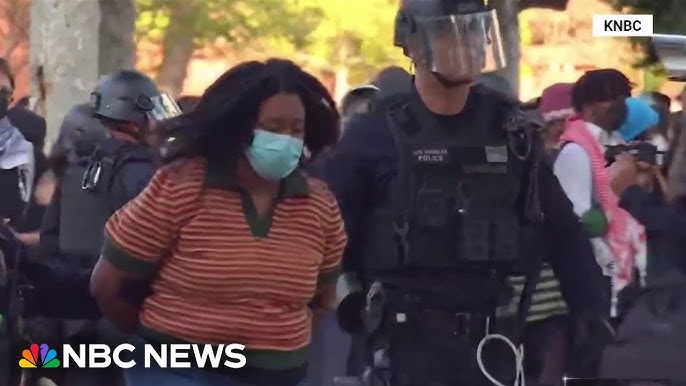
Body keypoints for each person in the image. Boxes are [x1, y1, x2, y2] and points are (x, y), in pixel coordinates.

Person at [311, 1, 609, 385]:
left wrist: (590, 308)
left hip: (495, 346)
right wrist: (347, 302)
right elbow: (325, 238)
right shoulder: (374, 136)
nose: (466, 44)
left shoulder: (510, 131)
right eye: (450, 32)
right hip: (401, 349)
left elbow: (562, 230)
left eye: (475, 31)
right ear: (413, 44)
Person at [90, 59, 346, 386]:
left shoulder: (319, 204)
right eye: (273, 127)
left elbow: (323, 299)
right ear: (239, 129)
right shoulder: (181, 186)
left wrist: (276, 344)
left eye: (296, 129)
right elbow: (107, 286)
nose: (287, 139)